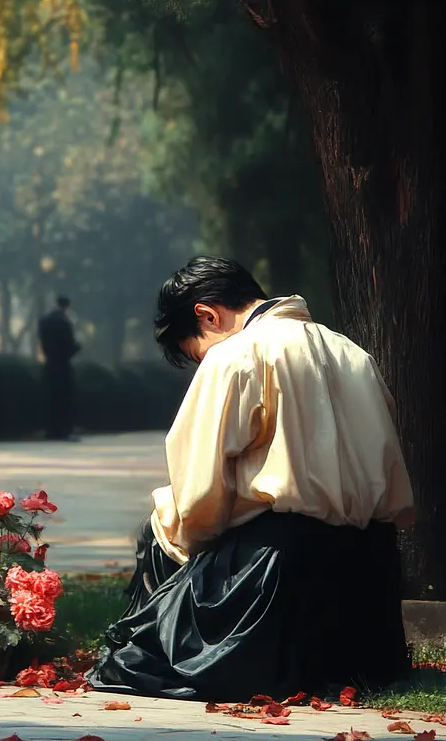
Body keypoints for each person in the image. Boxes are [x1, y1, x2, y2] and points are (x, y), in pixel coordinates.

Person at [88, 256, 414, 702]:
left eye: (195, 352)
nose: (202, 362)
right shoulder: (352, 352)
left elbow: (200, 495)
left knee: (160, 533)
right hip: (368, 572)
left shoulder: (236, 354)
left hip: (275, 570)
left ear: (207, 314)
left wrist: (177, 533)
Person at [38, 296, 81, 441]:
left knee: (50, 398)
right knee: (64, 398)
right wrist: (77, 348)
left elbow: (43, 342)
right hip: (62, 365)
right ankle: (64, 430)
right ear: (67, 306)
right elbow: (70, 346)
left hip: (49, 364)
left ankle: (51, 429)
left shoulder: (44, 321)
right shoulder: (64, 322)